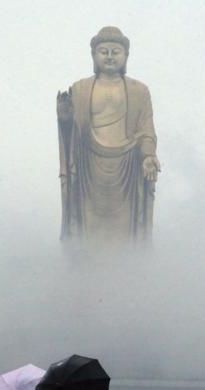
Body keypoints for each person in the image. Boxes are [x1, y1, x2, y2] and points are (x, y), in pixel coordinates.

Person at [57, 26, 161, 248]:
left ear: (126, 56)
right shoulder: (80, 88)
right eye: (104, 51)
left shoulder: (139, 91)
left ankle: (125, 269)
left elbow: (146, 131)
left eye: (116, 52)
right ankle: (88, 267)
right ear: (94, 55)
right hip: (88, 168)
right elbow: (72, 133)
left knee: (125, 233)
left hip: (127, 168)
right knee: (88, 229)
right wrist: (65, 119)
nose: (110, 57)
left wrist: (148, 156)